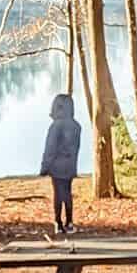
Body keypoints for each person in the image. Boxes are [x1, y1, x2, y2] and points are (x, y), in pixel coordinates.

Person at [39, 93, 82, 234]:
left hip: (56, 166)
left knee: (58, 193)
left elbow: (50, 148)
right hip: (70, 165)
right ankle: (69, 222)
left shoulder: (55, 126)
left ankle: (58, 222)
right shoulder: (76, 126)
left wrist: (44, 167)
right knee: (67, 193)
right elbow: (76, 148)